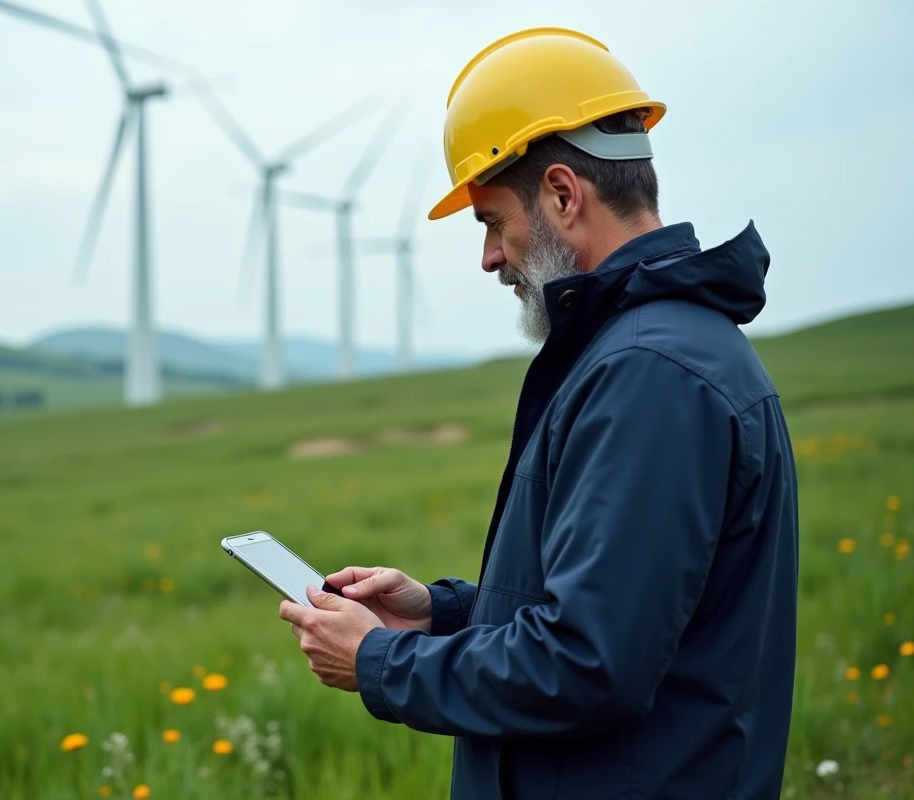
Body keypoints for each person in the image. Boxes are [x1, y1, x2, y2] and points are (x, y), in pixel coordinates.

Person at [278, 27, 798, 799]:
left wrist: (379, 661)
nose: (489, 257)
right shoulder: (649, 350)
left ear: (562, 193)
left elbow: (591, 665)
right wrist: (443, 615)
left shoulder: (649, 372)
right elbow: (618, 612)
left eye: (491, 221)